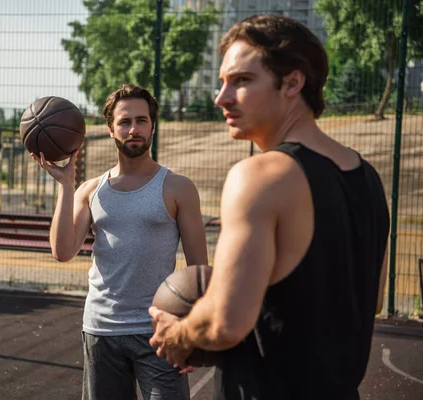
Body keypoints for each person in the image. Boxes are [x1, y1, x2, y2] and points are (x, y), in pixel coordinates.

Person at [149, 15, 390, 400]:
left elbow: (227, 323)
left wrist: (178, 332)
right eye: (223, 80)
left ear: (293, 82)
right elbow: (370, 302)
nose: (221, 97)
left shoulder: (260, 176)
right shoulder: (369, 179)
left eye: (242, 81)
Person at [32, 84, 208, 400]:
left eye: (141, 121)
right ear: (111, 129)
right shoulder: (90, 190)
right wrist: (66, 186)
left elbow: (198, 269)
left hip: (159, 332)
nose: (133, 129)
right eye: (124, 122)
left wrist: (194, 333)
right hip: (102, 330)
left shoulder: (178, 188)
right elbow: (62, 252)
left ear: (153, 126)